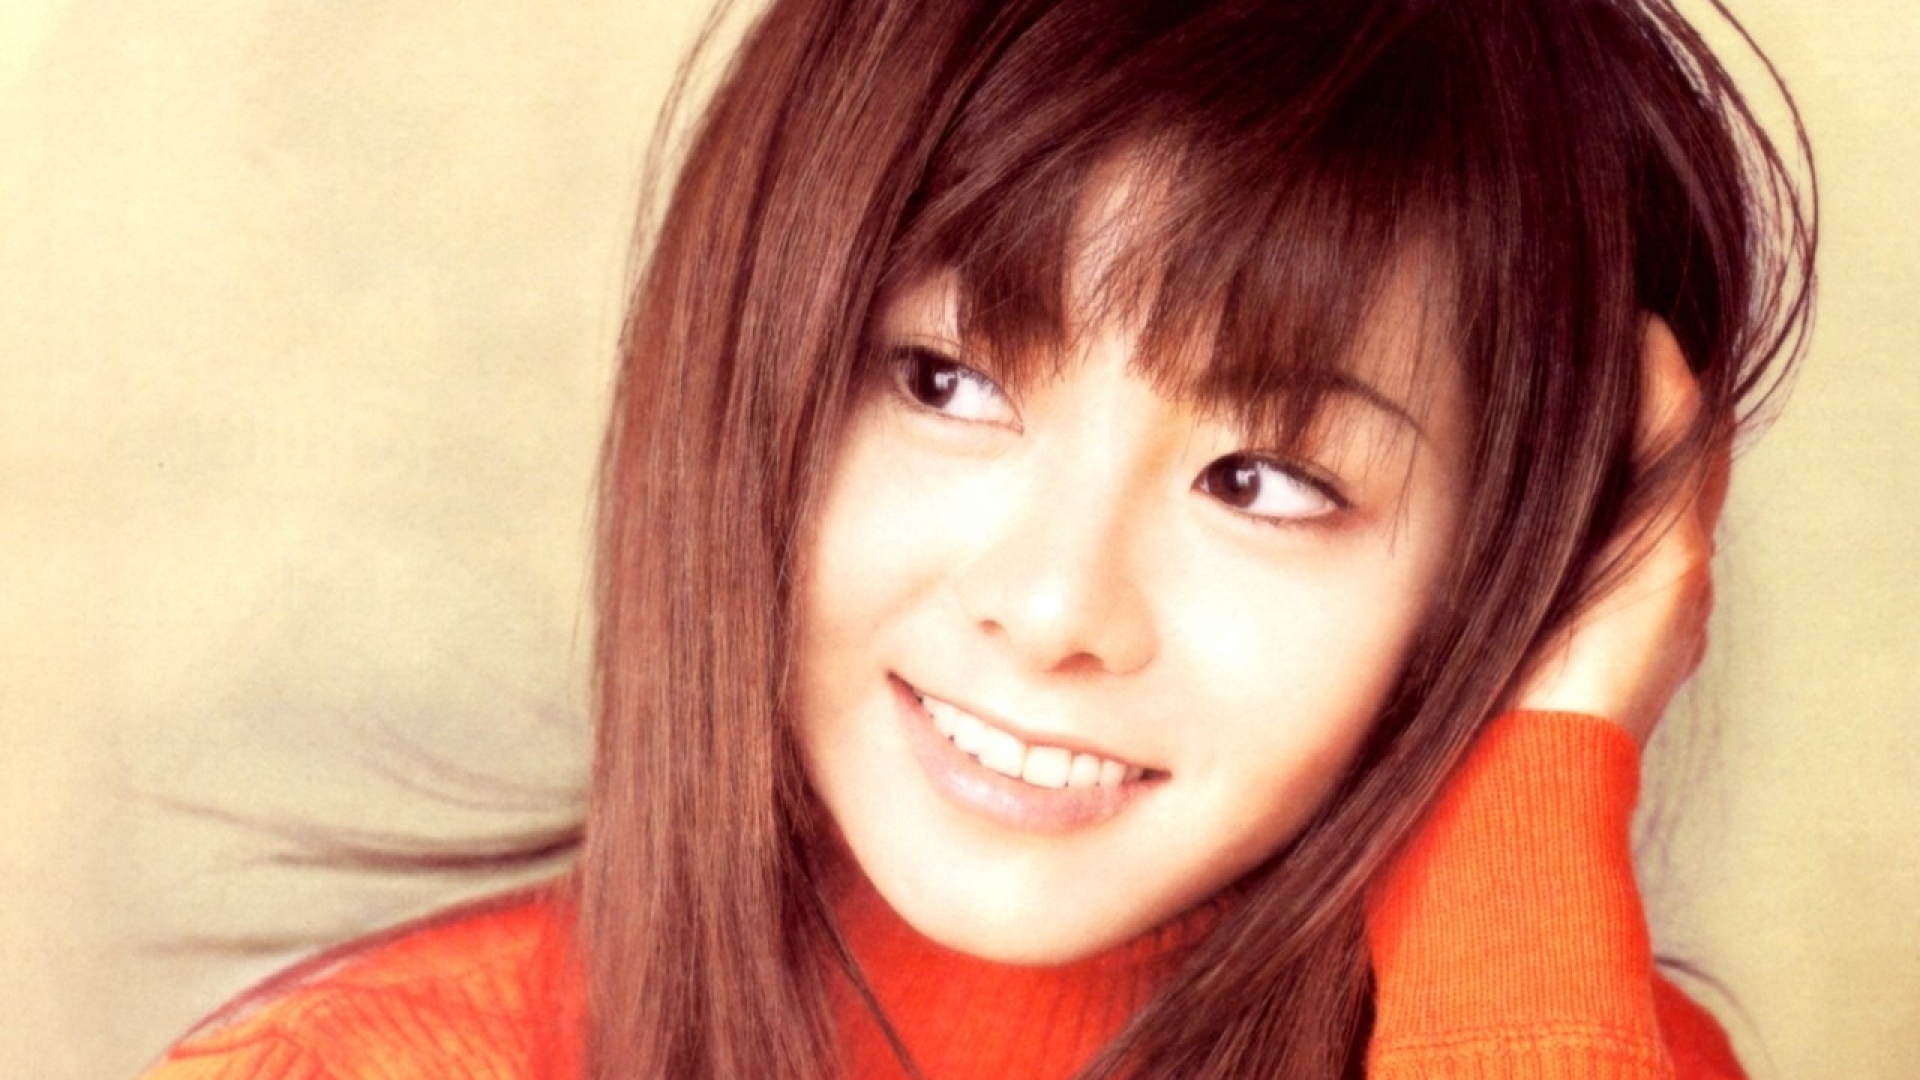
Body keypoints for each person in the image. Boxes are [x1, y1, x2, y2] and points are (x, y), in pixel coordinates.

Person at [141, 0, 1813, 1076]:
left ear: (1514, 576)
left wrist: (1534, 816)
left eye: (1264, 481)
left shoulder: (1561, 1030)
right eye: (947, 382)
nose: (1052, 604)